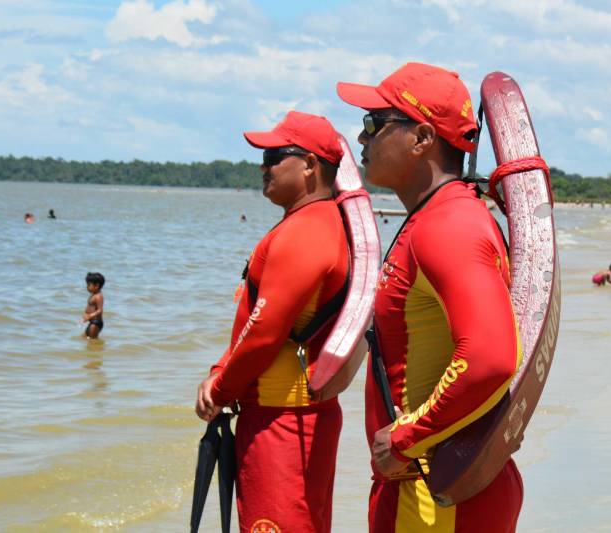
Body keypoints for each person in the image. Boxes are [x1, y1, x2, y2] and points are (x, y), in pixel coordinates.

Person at [337, 62, 524, 532]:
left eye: (373, 125)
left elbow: (489, 359)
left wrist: (405, 438)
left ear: (421, 138)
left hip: (438, 498)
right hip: (436, 481)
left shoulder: (448, 226)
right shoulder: (438, 218)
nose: (361, 140)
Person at [194, 111, 349, 532]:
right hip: (295, 416)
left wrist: (220, 389)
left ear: (311, 165)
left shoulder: (305, 232)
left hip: (284, 421)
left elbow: (264, 333)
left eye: (274, 155)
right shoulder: (320, 222)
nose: (262, 167)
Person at [83, 272, 105, 338]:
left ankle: (98, 348)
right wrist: (85, 314)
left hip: (96, 323)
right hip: (91, 322)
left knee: (92, 341)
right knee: (84, 338)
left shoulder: (98, 296)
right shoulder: (93, 295)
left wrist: (90, 315)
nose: (87, 287)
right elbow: (90, 307)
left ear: (96, 286)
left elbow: (100, 310)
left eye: (89, 285)